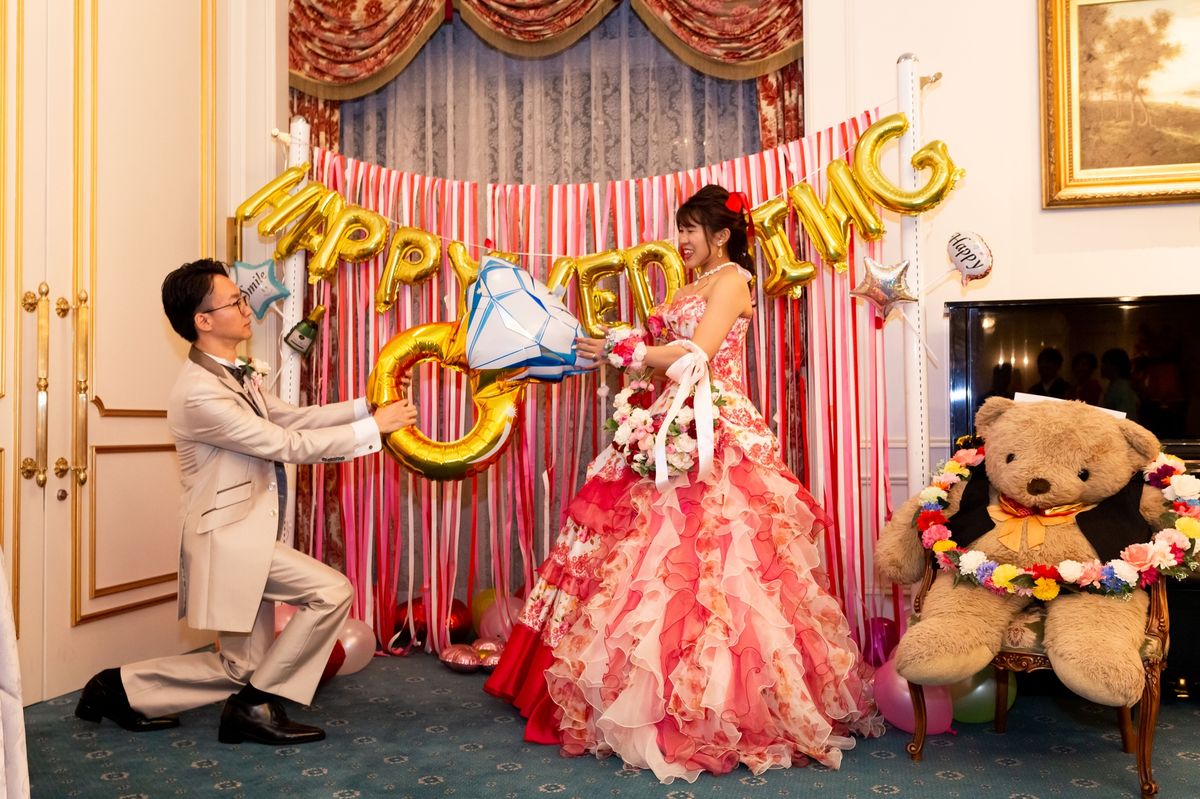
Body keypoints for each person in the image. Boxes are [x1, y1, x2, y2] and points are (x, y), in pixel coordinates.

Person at [484, 185, 881, 783]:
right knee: (651, 564)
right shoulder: (690, 284)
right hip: (669, 422)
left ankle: (723, 706)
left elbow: (699, 353)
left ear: (721, 234)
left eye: (691, 228)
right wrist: (611, 352)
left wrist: (631, 350)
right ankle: (648, 696)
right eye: (681, 228)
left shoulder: (734, 280)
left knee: (725, 566)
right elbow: (660, 357)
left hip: (715, 426)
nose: (682, 239)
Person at [75, 259, 417, 745]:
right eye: (234, 302)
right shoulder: (199, 394)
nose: (245, 307)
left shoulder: (234, 375)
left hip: (246, 533)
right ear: (203, 320)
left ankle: (118, 688)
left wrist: (367, 408)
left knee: (242, 668)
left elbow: (293, 418)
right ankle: (254, 706)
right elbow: (285, 443)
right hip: (228, 541)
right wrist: (372, 431)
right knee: (332, 591)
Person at [1101, 347, 1139, 421]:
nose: (1101, 367)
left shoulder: (1122, 389)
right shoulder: (1114, 385)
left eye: (1105, 363)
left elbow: (1128, 419)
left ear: (1114, 366)